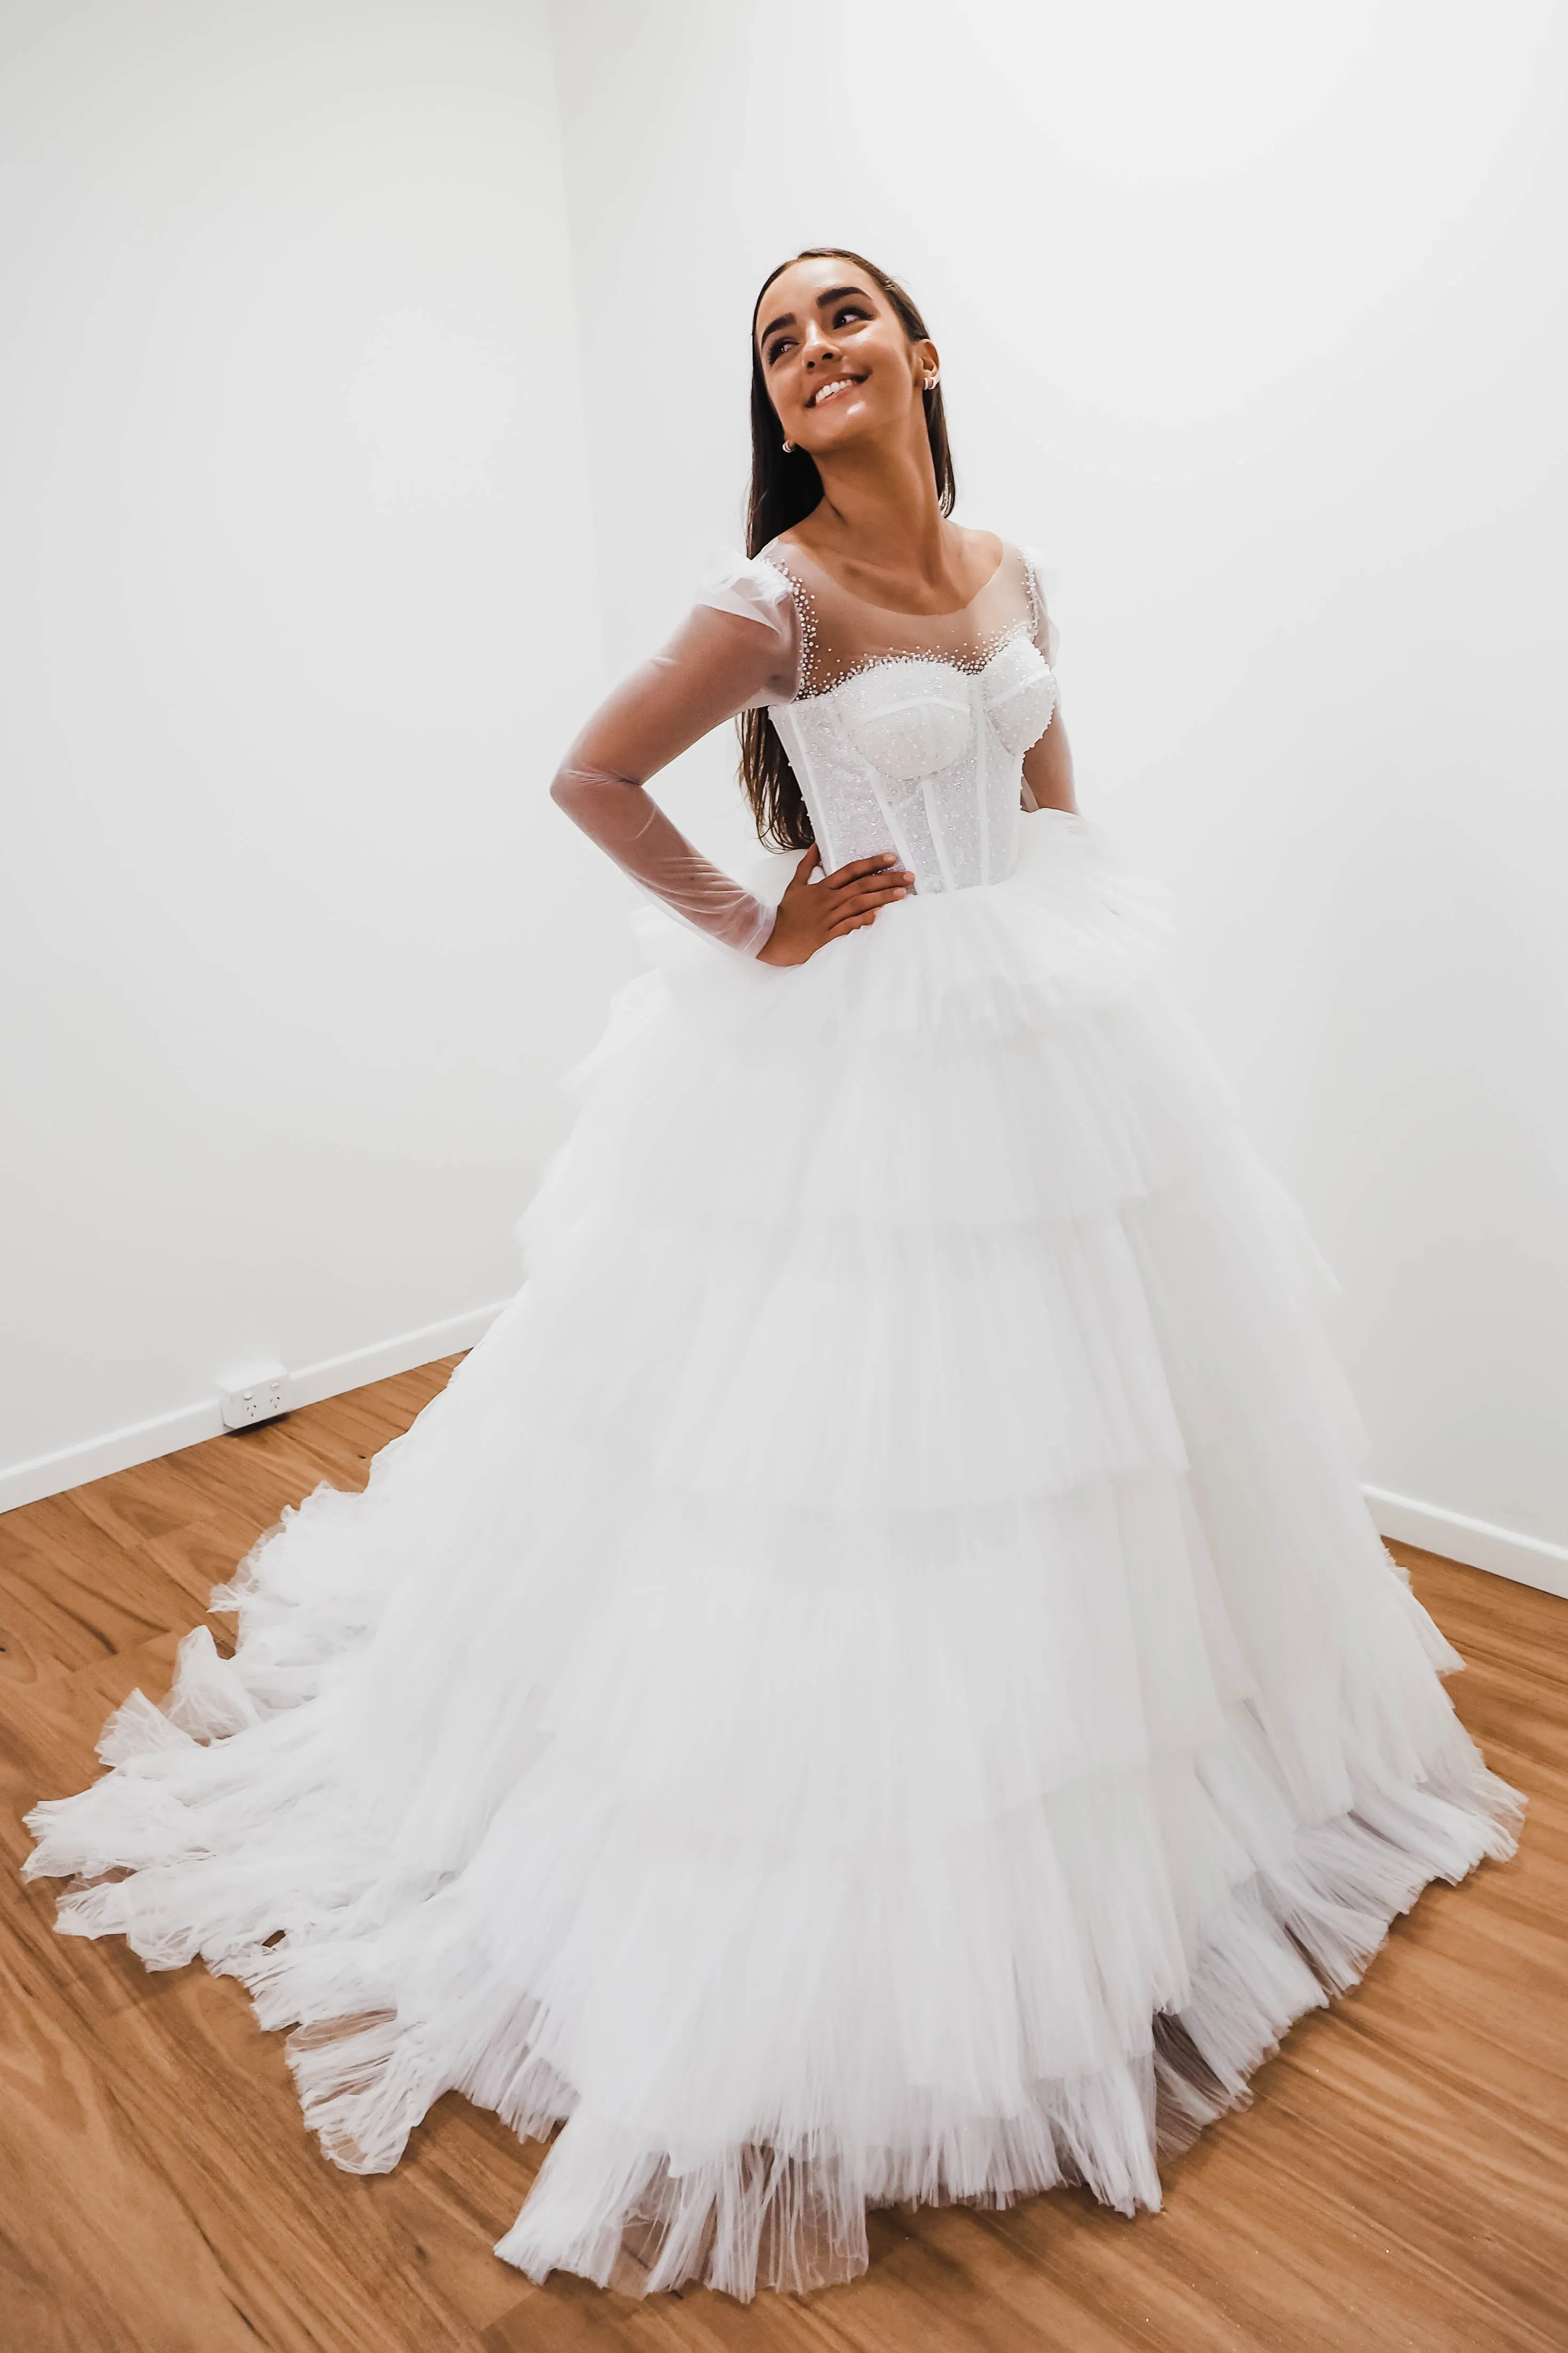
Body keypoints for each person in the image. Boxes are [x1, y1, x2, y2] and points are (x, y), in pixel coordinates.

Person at [26, 247, 1522, 2303]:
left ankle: (1143, 1820)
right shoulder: (778, 600)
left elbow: (1051, 797)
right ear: (779, 400)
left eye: (840, 317)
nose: (808, 352)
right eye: (773, 341)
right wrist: (757, 925)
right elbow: (585, 774)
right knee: (868, 1472)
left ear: (919, 352)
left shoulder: (1012, 569)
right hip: (871, 1059)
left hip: (1048, 1030)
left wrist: (1074, 948)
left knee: (1106, 1442)